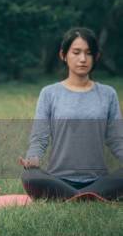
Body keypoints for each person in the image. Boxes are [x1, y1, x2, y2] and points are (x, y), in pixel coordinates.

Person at [19, 27, 123, 200]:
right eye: (76, 52)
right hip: (58, 180)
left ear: (96, 57)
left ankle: (76, 196)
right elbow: (40, 137)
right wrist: (32, 158)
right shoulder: (49, 93)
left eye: (88, 53)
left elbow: (116, 139)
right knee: (30, 176)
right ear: (63, 55)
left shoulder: (108, 94)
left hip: (98, 180)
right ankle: (87, 197)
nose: (82, 59)